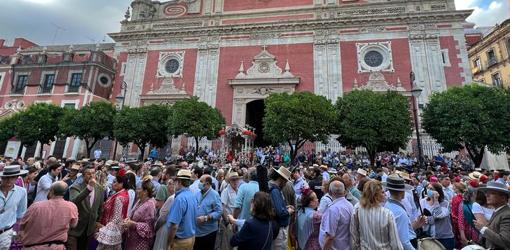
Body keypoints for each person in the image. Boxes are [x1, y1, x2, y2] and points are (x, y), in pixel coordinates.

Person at [20, 181, 78, 249]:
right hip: (57, 247)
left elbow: (22, 224)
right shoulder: (71, 207)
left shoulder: (36, 206)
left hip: (34, 247)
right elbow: (73, 225)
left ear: (52, 191)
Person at [351, 180, 403, 250]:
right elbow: (395, 243)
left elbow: (354, 234)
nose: (385, 194)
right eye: (382, 192)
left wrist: (356, 247)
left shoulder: (357, 208)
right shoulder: (387, 214)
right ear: (375, 195)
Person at [383, 175, 426, 250]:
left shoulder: (387, 205)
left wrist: (416, 225)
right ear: (401, 192)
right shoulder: (400, 212)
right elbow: (404, 241)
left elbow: (399, 231)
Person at [67, 166, 105, 250]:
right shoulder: (76, 187)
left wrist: (97, 221)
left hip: (89, 229)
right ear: (83, 176)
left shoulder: (100, 189)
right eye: (88, 174)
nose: (91, 176)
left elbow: (100, 208)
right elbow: (74, 201)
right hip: (76, 228)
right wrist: (89, 188)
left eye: (93, 173)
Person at [95, 175, 130, 250]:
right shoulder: (124, 193)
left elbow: (116, 218)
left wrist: (102, 227)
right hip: (116, 229)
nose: (112, 184)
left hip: (111, 231)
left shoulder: (119, 197)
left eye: (115, 182)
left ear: (121, 184)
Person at [167, 169, 198, 250]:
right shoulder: (193, 195)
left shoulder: (180, 199)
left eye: (176, 181)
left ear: (179, 182)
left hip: (180, 242)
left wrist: (169, 243)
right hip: (191, 238)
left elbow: (174, 226)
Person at [474, 181, 510, 249]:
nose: (487, 195)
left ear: (503, 198)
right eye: (487, 193)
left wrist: (483, 228)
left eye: (492, 193)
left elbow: (505, 241)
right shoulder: (498, 211)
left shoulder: (507, 215)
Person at [122, 177, 156, 250]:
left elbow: (149, 228)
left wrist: (133, 224)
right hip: (131, 240)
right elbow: (133, 215)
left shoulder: (150, 205)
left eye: (139, 189)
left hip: (140, 243)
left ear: (145, 191)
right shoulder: (139, 201)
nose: (137, 191)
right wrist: (129, 219)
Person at [319, 181, 353, 250]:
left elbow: (330, 236)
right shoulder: (349, 205)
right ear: (344, 192)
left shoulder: (333, 209)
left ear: (330, 192)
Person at [0, 165, 28, 249]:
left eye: (12, 177)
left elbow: (21, 213)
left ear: (17, 178)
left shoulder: (21, 192)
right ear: (1, 177)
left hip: (6, 232)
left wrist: (20, 230)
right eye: (6, 178)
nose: (9, 180)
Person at [420, 183, 455, 250]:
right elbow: (420, 216)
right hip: (428, 237)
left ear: (438, 191)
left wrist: (436, 200)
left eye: (431, 189)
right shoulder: (423, 201)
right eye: (428, 188)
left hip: (444, 238)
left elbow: (439, 215)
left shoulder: (445, 203)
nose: (428, 190)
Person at [193, 174, 222, 250]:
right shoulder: (197, 193)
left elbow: (219, 212)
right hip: (197, 231)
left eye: (201, 181)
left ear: (208, 184)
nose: (199, 183)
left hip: (208, 232)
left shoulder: (215, 195)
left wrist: (206, 217)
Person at [269, 166, 294, 250]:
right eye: (286, 181)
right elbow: (280, 213)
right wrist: (289, 211)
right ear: (281, 179)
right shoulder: (275, 191)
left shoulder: (276, 189)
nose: (286, 183)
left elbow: (277, 208)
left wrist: (285, 207)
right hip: (279, 228)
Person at [153, 178, 176, 250]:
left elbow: (161, 210)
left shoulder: (172, 198)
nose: (167, 185)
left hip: (163, 224)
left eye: (170, 184)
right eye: (168, 183)